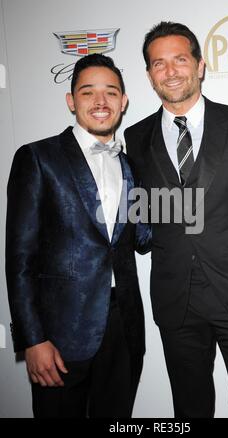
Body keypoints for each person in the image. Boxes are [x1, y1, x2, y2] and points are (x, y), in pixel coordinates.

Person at [124, 21, 228, 418]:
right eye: (159, 63)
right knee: (189, 410)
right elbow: (142, 216)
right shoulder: (135, 137)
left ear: (200, 65)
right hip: (176, 302)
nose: (170, 71)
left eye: (180, 59)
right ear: (149, 75)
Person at [6, 53, 151, 418]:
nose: (101, 102)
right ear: (71, 101)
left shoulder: (131, 165)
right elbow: (19, 258)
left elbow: (142, 237)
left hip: (124, 327)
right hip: (59, 333)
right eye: (88, 93)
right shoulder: (38, 158)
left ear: (124, 101)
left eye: (111, 92)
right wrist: (33, 339)